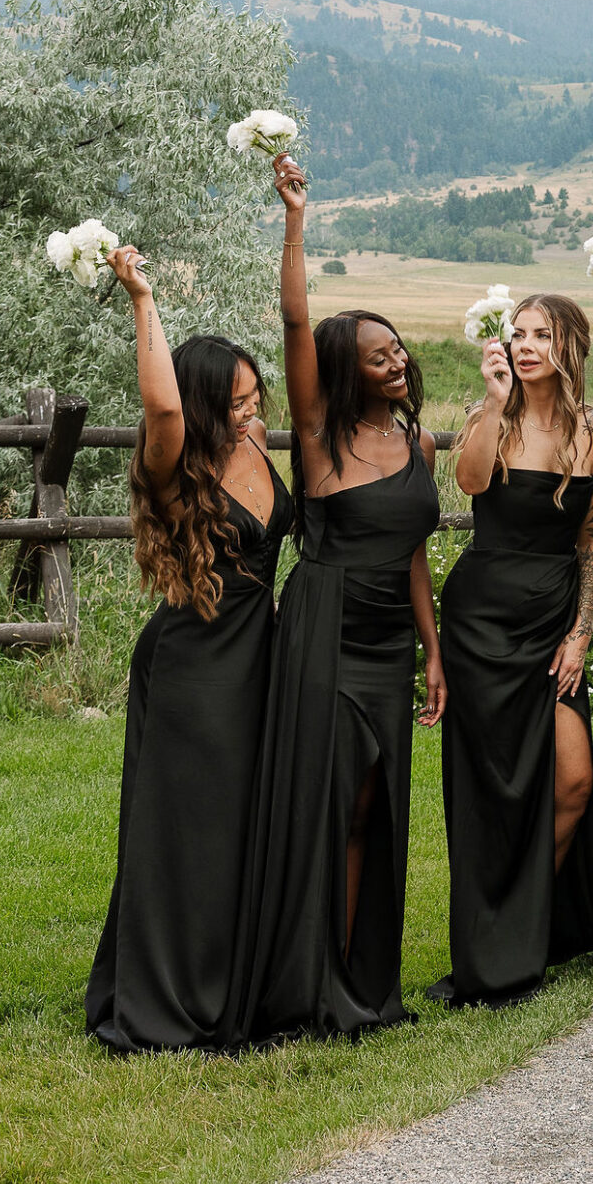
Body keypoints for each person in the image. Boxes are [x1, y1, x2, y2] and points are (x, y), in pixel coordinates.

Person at [231, 155, 444, 1043]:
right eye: (378, 354)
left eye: (398, 347)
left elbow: (414, 557)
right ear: (346, 371)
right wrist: (295, 219)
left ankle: (358, 977)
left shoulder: (418, 440)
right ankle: (300, 980)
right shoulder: (319, 441)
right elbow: (294, 319)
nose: (396, 360)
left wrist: (434, 652)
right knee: (317, 808)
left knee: (372, 805)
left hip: (392, 644)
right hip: (322, 631)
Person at [85, 248, 291, 1052]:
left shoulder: (256, 452)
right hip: (192, 667)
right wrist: (142, 296)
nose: (248, 410)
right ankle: (173, 996)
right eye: (234, 400)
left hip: (256, 661)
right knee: (191, 830)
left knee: (243, 826)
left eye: (253, 396)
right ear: (205, 400)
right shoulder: (174, 463)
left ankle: (235, 985)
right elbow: (163, 412)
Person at [436, 291, 593, 1006]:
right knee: (490, 794)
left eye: (543, 334)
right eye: (519, 333)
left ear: (569, 345)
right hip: (482, 623)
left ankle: (524, 921)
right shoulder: (490, 419)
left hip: (552, 625)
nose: (528, 344)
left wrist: (581, 631)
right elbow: (471, 483)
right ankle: (501, 935)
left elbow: (592, 540)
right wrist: (494, 395)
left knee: (571, 782)